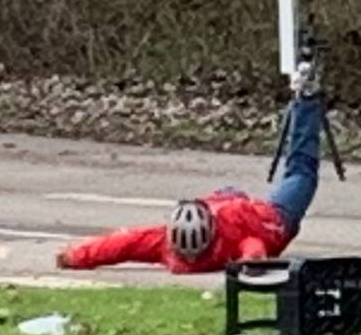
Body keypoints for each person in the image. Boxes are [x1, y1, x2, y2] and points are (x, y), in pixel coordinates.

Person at [56, 58, 327, 274]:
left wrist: (74, 256)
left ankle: (305, 100)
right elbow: (122, 244)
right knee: (302, 172)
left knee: (296, 175)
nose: (192, 259)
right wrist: (75, 257)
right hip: (265, 215)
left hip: (255, 217)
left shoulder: (223, 239)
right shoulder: (167, 242)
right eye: (188, 254)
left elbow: (124, 243)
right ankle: (307, 100)